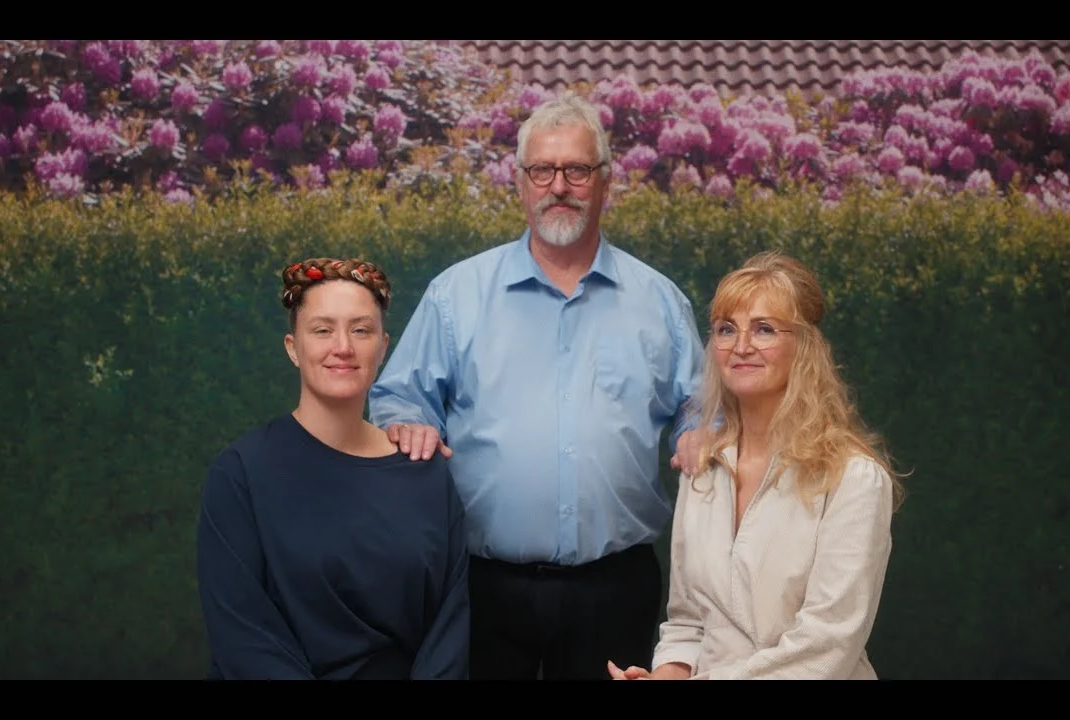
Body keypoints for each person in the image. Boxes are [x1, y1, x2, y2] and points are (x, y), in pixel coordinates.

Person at [367, 92, 705, 680]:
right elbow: (399, 397)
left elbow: (703, 405)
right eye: (542, 170)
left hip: (616, 586)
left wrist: (699, 432)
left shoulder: (659, 302)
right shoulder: (456, 295)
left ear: (605, 181)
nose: (559, 186)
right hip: (483, 587)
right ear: (520, 182)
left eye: (577, 170)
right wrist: (408, 421)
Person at [608, 251, 905, 680]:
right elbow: (688, 623)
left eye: (764, 329)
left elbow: (826, 646)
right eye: (726, 329)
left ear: (805, 346)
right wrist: (664, 676)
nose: (742, 346)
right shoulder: (703, 467)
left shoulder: (853, 478)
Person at [196, 257, 469, 680]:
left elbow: (448, 632)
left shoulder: (424, 471)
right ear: (293, 348)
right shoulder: (241, 475)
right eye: (323, 330)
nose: (343, 346)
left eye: (361, 330)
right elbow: (244, 637)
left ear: (383, 347)